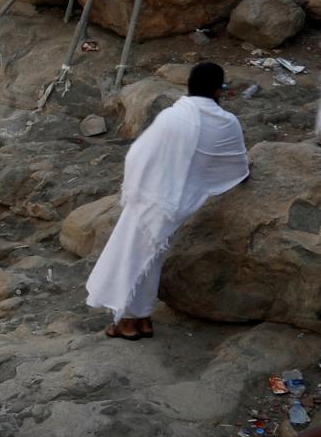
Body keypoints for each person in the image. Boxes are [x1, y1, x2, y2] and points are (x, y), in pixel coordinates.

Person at [86, 61, 248, 339]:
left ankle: (126, 321)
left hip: (152, 196)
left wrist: (135, 187)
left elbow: (139, 154)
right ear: (218, 90)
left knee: (131, 258)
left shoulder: (173, 117)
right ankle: (144, 318)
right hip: (181, 203)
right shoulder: (227, 122)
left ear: (189, 85)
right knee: (152, 258)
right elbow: (237, 167)